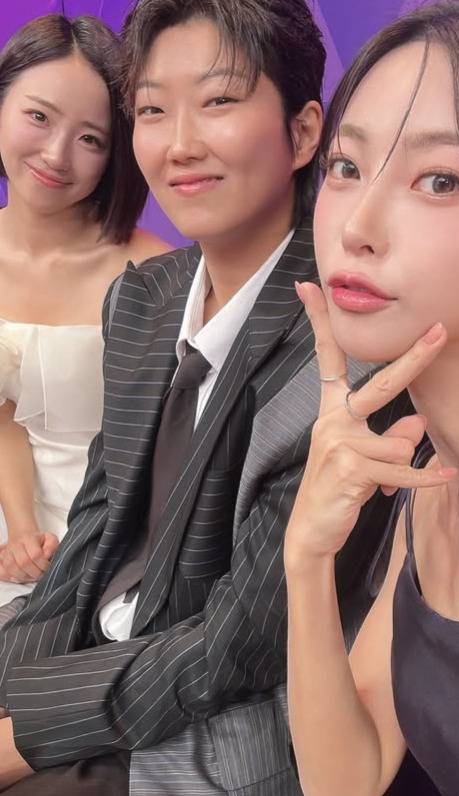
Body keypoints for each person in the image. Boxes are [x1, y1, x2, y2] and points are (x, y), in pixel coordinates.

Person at [0, 1, 414, 794]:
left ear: (303, 132)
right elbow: (93, 530)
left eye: (218, 100)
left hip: (213, 730)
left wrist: (24, 736)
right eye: (153, 110)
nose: (179, 143)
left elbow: (243, 641)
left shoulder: (348, 340)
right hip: (89, 678)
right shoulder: (143, 298)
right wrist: (10, 687)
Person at [285, 1, 459, 794]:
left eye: (438, 180)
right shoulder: (433, 470)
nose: (357, 224)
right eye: (345, 167)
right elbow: (345, 779)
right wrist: (305, 559)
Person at [0, 14, 170, 607]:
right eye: (38, 117)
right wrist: (20, 530)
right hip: (15, 532)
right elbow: (5, 419)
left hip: (114, 556)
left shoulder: (153, 273)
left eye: (90, 139)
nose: (55, 155)